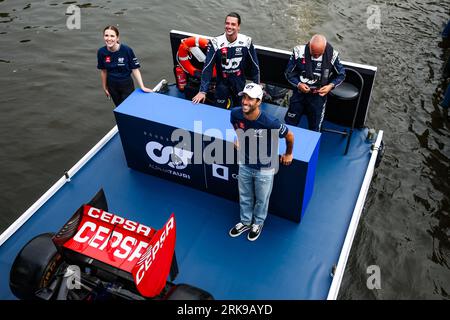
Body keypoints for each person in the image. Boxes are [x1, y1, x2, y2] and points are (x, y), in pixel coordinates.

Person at [229, 83, 294, 241]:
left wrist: (288, 153)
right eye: (244, 97)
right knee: (244, 195)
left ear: (259, 102)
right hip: (245, 162)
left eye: (250, 99)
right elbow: (236, 126)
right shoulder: (235, 113)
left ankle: (258, 223)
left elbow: (290, 136)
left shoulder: (270, 122)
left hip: (265, 167)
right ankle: (245, 221)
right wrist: (239, 138)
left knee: (261, 199)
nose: (245, 101)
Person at [192, 12, 260, 109]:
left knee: (240, 110)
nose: (229, 26)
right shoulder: (216, 42)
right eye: (227, 23)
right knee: (218, 109)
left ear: (238, 27)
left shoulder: (246, 41)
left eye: (233, 24)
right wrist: (202, 91)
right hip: (222, 83)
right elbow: (208, 68)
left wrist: (256, 90)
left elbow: (255, 66)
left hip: (239, 82)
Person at [284, 34, 346, 131]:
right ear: (309, 46)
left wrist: (330, 86)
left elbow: (341, 75)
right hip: (299, 94)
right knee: (290, 121)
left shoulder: (333, 55)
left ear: (325, 49)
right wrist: (298, 84)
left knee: (315, 127)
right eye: (314, 53)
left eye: (319, 54)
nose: (316, 56)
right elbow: (288, 73)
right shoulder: (298, 52)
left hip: (318, 97)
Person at [97, 26, 152, 107]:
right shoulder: (101, 52)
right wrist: (104, 87)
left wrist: (142, 86)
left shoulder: (126, 50)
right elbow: (103, 71)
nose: (109, 38)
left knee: (128, 107)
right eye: (106, 35)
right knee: (119, 107)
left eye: (112, 36)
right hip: (112, 85)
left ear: (117, 38)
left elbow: (135, 69)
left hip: (126, 85)